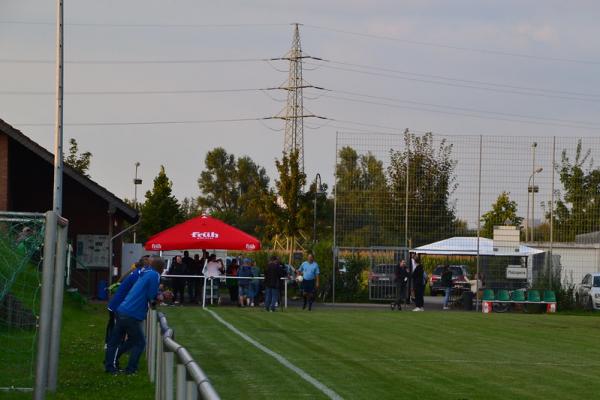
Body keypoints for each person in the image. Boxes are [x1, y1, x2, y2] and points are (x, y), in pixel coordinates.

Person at [105, 255, 164, 375]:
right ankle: (131, 369)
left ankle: (110, 365)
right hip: (132, 313)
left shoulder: (144, 272)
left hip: (122, 309)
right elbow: (151, 296)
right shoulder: (155, 275)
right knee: (139, 342)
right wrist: (160, 296)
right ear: (161, 268)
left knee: (117, 341)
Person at [105, 256, 149, 350]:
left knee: (117, 326)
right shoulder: (138, 275)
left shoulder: (136, 272)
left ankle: (114, 346)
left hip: (119, 304)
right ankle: (111, 346)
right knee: (116, 327)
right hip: (119, 305)